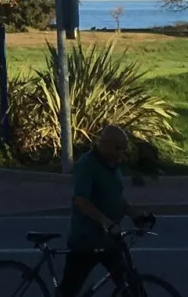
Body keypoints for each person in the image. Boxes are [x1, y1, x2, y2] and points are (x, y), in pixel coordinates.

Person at [59, 125, 154, 296]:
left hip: (109, 240)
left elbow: (116, 197)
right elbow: (81, 200)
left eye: (124, 149)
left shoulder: (113, 165)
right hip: (86, 240)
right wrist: (105, 222)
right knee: (69, 291)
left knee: (128, 285)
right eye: (117, 148)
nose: (121, 153)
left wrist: (134, 214)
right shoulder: (87, 165)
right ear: (103, 144)